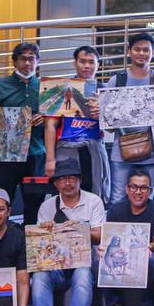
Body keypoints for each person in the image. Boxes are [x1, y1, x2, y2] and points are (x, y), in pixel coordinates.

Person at [32, 158, 105, 306]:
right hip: (55, 265)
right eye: (62, 179)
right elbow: (39, 245)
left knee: (83, 275)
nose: (68, 183)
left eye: (72, 178)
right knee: (39, 275)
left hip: (83, 261)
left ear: (80, 180)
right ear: (56, 183)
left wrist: (79, 228)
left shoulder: (93, 201)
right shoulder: (47, 206)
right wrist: (46, 231)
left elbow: (100, 235)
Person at [101, 33, 154, 205]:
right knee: (118, 199)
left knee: (147, 200)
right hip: (121, 152)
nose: (141, 53)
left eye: (146, 50)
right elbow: (108, 125)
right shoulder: (117, 80)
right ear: (129, 52)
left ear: (153, 52)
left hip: (153, 153)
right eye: (137, 49)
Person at [0, 41, 47, 226]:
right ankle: (0, 239)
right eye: (22, 59)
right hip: (5, 154)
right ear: (14, 62)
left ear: (37, 61)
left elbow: (57, 119)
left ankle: (29, 241)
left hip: (36, 153)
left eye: (31, 59)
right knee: (1, 200)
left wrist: (45, 117)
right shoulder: (0, 86)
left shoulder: (45, 86)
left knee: (35, 204)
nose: (27, 63)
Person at [98, 170, 154, 306]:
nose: (138, 192)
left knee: (150, 259)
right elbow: (109, 240)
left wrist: (146, 247)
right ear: (126, 189)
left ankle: (148, 303)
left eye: (143, 188)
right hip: (121, 255)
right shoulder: (115, 210)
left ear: (150, 191)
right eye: (133, 187)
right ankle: (115, 303)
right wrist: (103, 248)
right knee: (99, 257)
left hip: (150, 258)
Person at [44, 45, 110, 200]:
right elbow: (49, 125)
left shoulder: (104, 90)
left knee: (93, 196)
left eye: (91, 62)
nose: (87, 66)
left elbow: (112, 128)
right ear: (75, 63)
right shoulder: (60, 88)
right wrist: (50, 159)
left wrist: (102, 114)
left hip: (93, 150)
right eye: (82, 61)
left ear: (98, 65)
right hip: (66, 150)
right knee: (65, 194)